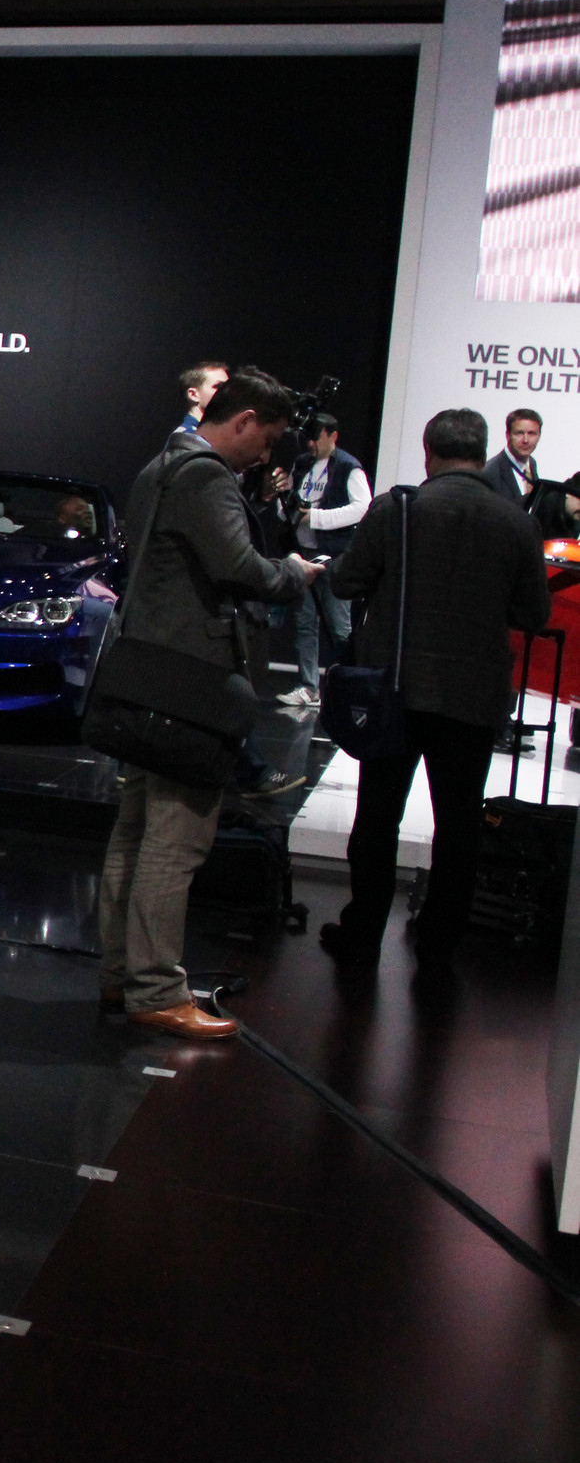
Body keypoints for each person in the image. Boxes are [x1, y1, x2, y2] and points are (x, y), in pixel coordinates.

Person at [98, 371, 317, 1039]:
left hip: (147, 672)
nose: (266, 455)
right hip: (190, 681)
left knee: (135, 831)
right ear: (244, 420)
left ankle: (122, 974)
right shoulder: (207, 477)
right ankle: (156, 989)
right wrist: (294, 574)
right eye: (267, 439)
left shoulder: (159, 465)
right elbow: (239, 568)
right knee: (176, 839)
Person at [321, 409, 554, 962]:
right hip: (473, 697)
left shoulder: (396, 510)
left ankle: (362, 934)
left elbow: (347, 580)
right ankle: (439, 943)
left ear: (428, 453)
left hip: (395, 690)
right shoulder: (516, 522)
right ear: (482, 453)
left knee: (378, 818)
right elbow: (534, 614)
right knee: (459, 826)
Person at [276, 412, 372, 710]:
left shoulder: (348, 467)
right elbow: (289, 504)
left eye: (316, 437)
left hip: (334, 557)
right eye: (308, 437)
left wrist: (315, 517)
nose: (310, 443)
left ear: (333, 436)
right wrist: (287, 508)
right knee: (305, 624)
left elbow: (362, 508)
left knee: (339, 629)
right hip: (303, 553)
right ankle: (309, 687)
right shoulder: (303, 464)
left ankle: (345, 688)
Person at [481, 408, 545, 506]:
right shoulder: (490, 472)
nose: (526, 440)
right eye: (519, 433)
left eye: (531, 433)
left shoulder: (531, 463)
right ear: (508, 435)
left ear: (539, 436)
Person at [175, 360, 228, 432]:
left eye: (228, 386)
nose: (227, 391)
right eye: (218, 386)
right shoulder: (186, 436)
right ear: (193, 395)